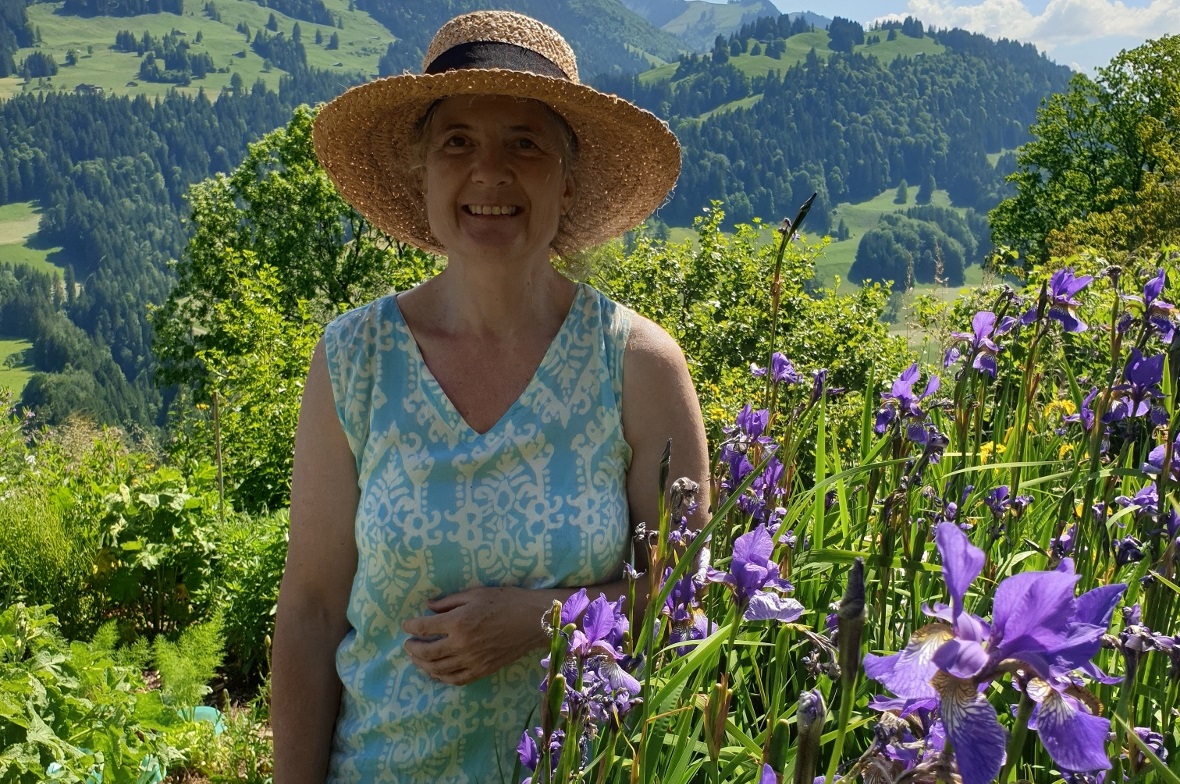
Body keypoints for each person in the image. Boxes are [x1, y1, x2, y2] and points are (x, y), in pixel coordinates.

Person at [271, 10, 709, 783]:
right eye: (458, 143)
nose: (490, 173)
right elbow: (309, 614)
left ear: (568, 178)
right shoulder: (354, 358)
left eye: (525, 144)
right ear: (424, 174)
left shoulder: (638, 366)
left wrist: (546, 621)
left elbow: (687, 598)